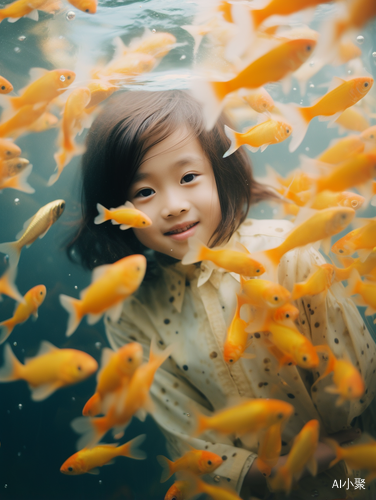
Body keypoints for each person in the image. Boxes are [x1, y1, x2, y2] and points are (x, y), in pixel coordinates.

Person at [67, 89, 376, 500]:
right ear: (114, 207)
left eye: (188, 177)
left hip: (352, 472)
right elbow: (180, 427)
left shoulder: (289, 256)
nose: (173, 205)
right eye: (144, 192)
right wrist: (257, 474)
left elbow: (357, 371)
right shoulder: (131, 313)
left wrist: (330, 452)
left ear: (221, 172)